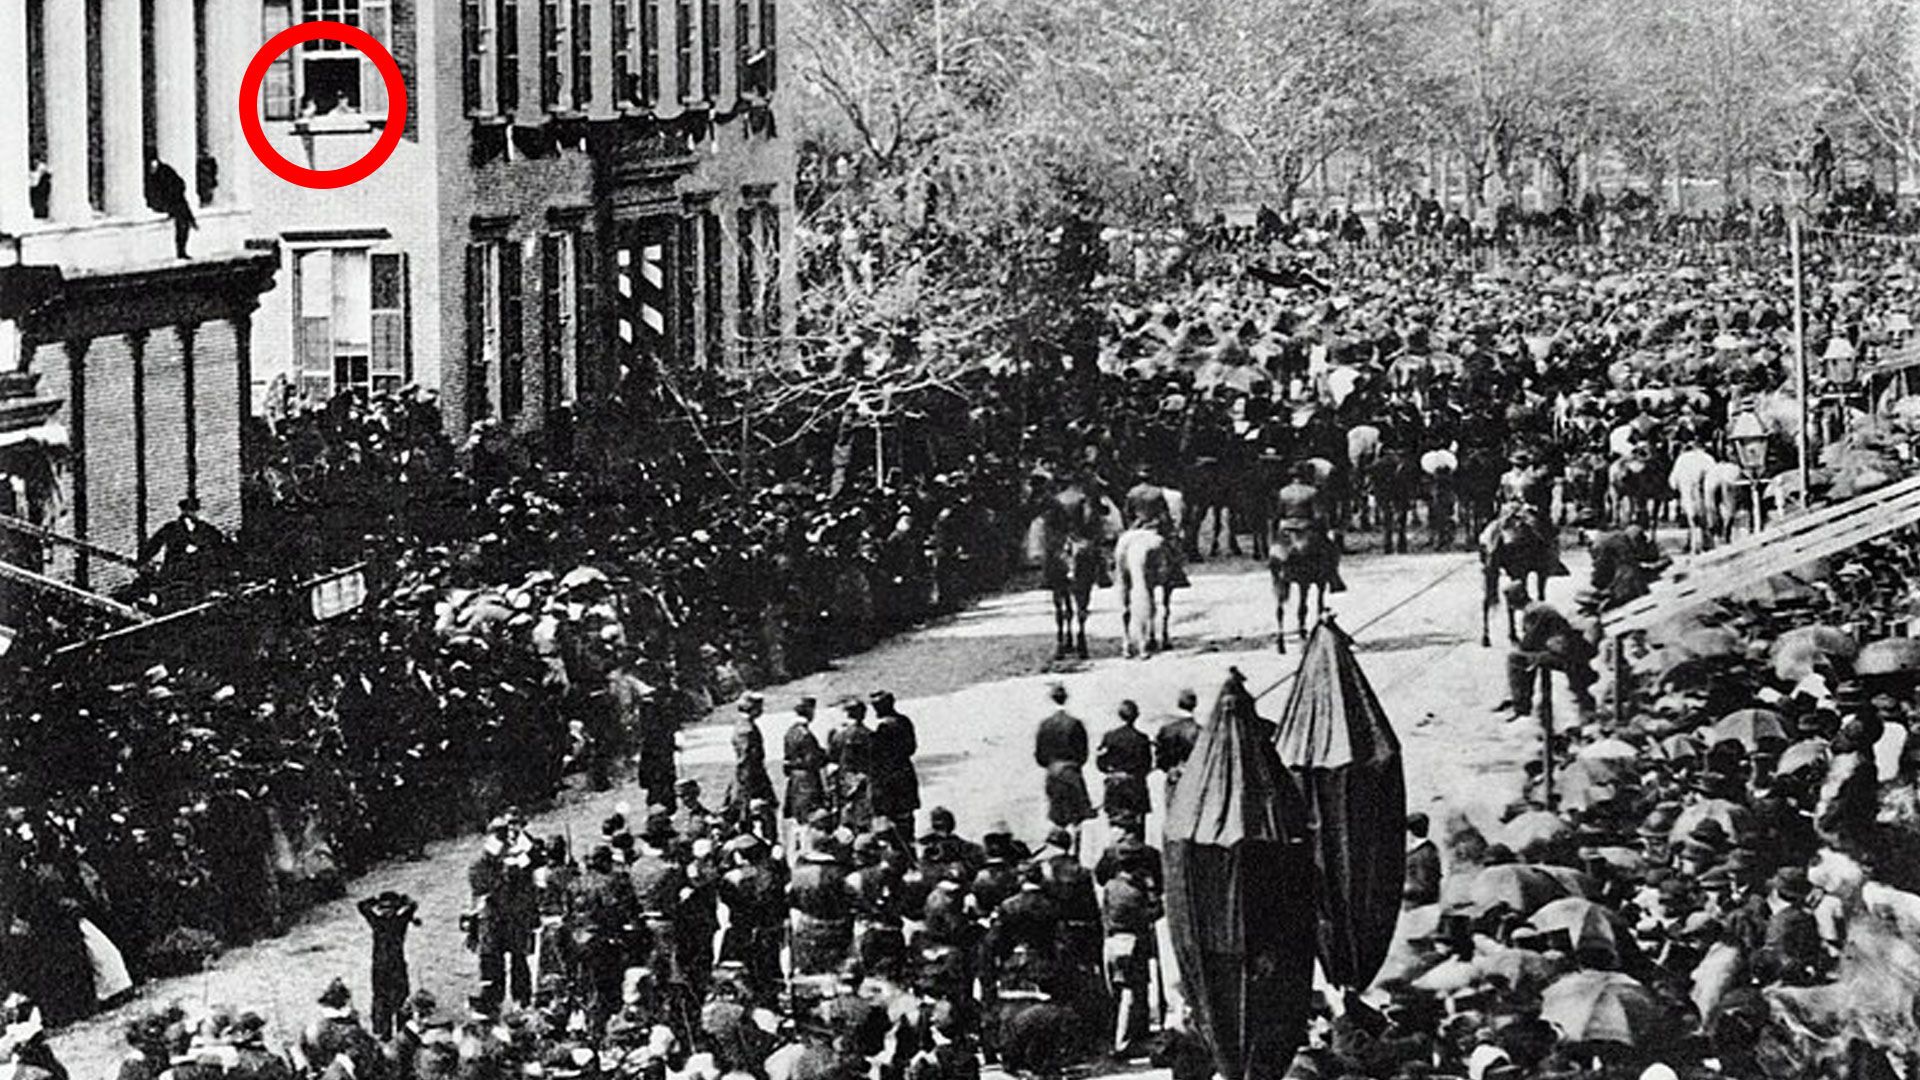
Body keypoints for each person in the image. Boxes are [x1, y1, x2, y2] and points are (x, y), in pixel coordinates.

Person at [466, 817, 537, 1011]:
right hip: (491, 917)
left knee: (519, 961)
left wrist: (518, 864)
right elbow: (482, 888)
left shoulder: (517, 855)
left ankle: (521, 1000)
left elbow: (530, 877)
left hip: (514, 917)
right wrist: (504, 875)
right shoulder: (479, 864)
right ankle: (491, 1001)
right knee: (491, 962)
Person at [1499, 599, 1598, 721]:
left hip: (1569, 659)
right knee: (1522, 658)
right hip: (1565, 654)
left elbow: (1588, 651)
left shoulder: (1591, 622)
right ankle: (1517, 701)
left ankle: (1521, 707)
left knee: (1516, 659)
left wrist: (1560, 644)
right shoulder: (1576, 616)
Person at [1034, 684, 1094, 848]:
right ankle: (1076, 853)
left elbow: (1040, 756)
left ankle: (1059, 852)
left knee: (1057, 815)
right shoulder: (1075, 723)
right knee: (1078, 817)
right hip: (1072, 772)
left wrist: (1051, 765)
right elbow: (1083, 753)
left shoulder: (1045, 725)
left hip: (1053, 773)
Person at [355, 890, 419, 1039]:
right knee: (398, 1000)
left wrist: (375, 901)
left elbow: (362, 906)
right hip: (395, 967)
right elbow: (413, 905)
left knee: (384, 1000)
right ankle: (399, 1034)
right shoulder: (400, 921)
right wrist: (403, 901)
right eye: (384, 908)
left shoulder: (377, 922)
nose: (386, 911)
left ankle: (386, 1034)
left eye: (388, 908)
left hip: (382, 968)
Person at [1122, 465, 1188, 589]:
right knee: (1173, 550)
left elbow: (1127, 514)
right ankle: (1177, 575)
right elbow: (1164, 514)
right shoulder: (1157, 492)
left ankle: (1118, 574)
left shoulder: (1132, 492)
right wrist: (1171, 528)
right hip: (1154, 527)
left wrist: (1132, 526)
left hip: (1137, 527)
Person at [869, 690, 921, 843]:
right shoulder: (904, 721)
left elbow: (874, 757)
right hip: (905, 773)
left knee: (890, 821)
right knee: (906, 818)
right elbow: (912, 747)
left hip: (888, 778)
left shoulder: (883, 728)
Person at [136, 497, 228, 581]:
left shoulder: (205, 528)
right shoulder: (171, 528)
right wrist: (142, 561)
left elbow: (218, 542)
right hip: (175, 570)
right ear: (182, 511)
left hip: (199, 571)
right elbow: (154, 545)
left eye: (193, 510)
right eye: (188, 510)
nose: (192, 513)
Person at [725, 694, 776, 838]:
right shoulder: (746, 730)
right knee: (754, 816)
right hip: (751, 781)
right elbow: (746, 762)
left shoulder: (744, 725)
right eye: (760, 707)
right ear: (752, 708)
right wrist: (750, 789)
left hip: (751, 778)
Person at [781, 696, 829, 848]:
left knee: (799, 816)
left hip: (795, 780)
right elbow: (812, 760)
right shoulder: (806, 734)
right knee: (810, 816)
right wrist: (826, 755)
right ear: (810, 712)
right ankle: (808, 847)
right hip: (807, 781)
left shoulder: (790, 732)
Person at [1096, 701, 1153, 827]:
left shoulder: (1110, 737)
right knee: (1137, 827)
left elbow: (1100, 763)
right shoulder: (1142, 738)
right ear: (1137, 716)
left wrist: (1113, 771)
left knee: (1115, 825)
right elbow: (1147, 766)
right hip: (1136, 786)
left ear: (1119, 715)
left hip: (1115, 785)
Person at [1154, 690, 1201, 804]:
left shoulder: (1166, 729)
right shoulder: (1200, 731)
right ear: (1195, 705)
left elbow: (1159, 757)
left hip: (1173, 776)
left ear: (1179, 704)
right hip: (1194, 778)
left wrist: (1170, 768)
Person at [145, 158, 196, 259]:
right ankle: (181, 250)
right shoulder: (162, 173)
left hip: (173, 202)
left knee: (183, 224)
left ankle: (182, 250)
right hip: (172, 203)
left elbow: (177, 186)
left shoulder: (165, 173)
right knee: (183, 222)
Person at [1403, 813, 1442, 907]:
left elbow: (1424, 887)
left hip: (1419, 909)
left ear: (1409, 832)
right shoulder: (1425, 851)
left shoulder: (1423, 854)